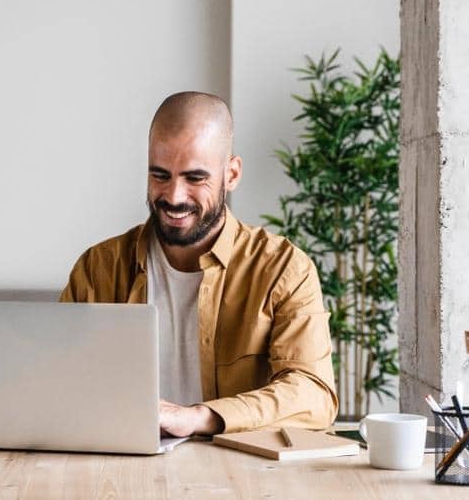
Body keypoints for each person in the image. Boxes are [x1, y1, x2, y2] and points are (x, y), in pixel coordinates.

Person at [60, 91, 338, 437]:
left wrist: (198, 417)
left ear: (231, 174)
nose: (174, 197)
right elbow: (59, 386)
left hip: (241, 479)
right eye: (160, 175)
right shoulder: (97, 268)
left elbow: (314, 396)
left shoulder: (284, 269)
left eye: (195, 178)